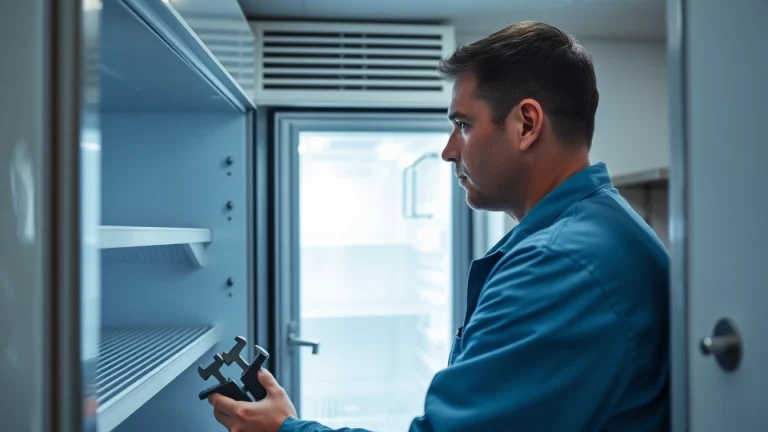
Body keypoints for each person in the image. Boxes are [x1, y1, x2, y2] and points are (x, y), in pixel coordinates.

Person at [208, 21, 670, 431]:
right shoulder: (595, 229)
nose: (450, 150)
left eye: (463, 125)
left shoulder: (559, 264)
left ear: (526, 123)